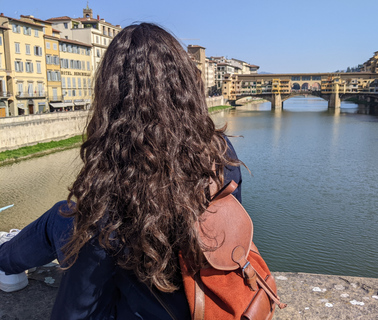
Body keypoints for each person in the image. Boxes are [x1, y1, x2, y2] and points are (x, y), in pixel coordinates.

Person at [0, 23, 242, 319]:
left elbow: (77, 308)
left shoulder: (120, 174)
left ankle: (4, 260)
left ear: (112, 94)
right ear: (186, 85)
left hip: (146, 310)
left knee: (64, 216)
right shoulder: (219, 150)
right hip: (211, 297)